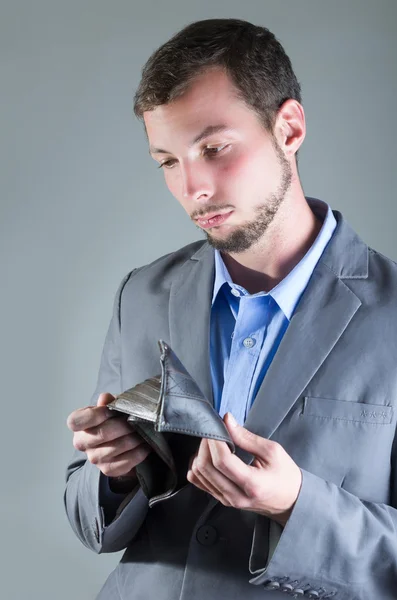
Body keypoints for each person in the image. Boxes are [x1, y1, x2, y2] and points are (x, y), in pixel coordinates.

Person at [64, 18, 397, 600]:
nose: (192, 186)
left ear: (288, 128)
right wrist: (114, 475)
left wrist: (297, 504)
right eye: (167, 161)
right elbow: (90, 520)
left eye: (213, 148)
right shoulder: (141, 294)